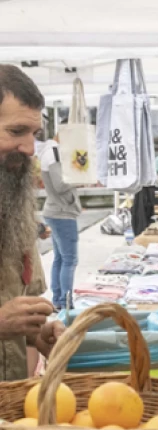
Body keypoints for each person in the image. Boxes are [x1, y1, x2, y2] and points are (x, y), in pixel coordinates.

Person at [0, 64, 65, 380]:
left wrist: (34, 334)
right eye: (16, 132)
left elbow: (17, 301)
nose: (28, 148)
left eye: (33, 134)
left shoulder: (12, 202)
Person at [39, 133, 81, 311]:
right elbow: (60, 185)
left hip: (55, 210)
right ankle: (65, 302)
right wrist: (80, 178)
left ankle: (58, 300)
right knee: (70, 259)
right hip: (62, 213)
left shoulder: (48, 151)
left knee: (60, 259)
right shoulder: (54, 153)